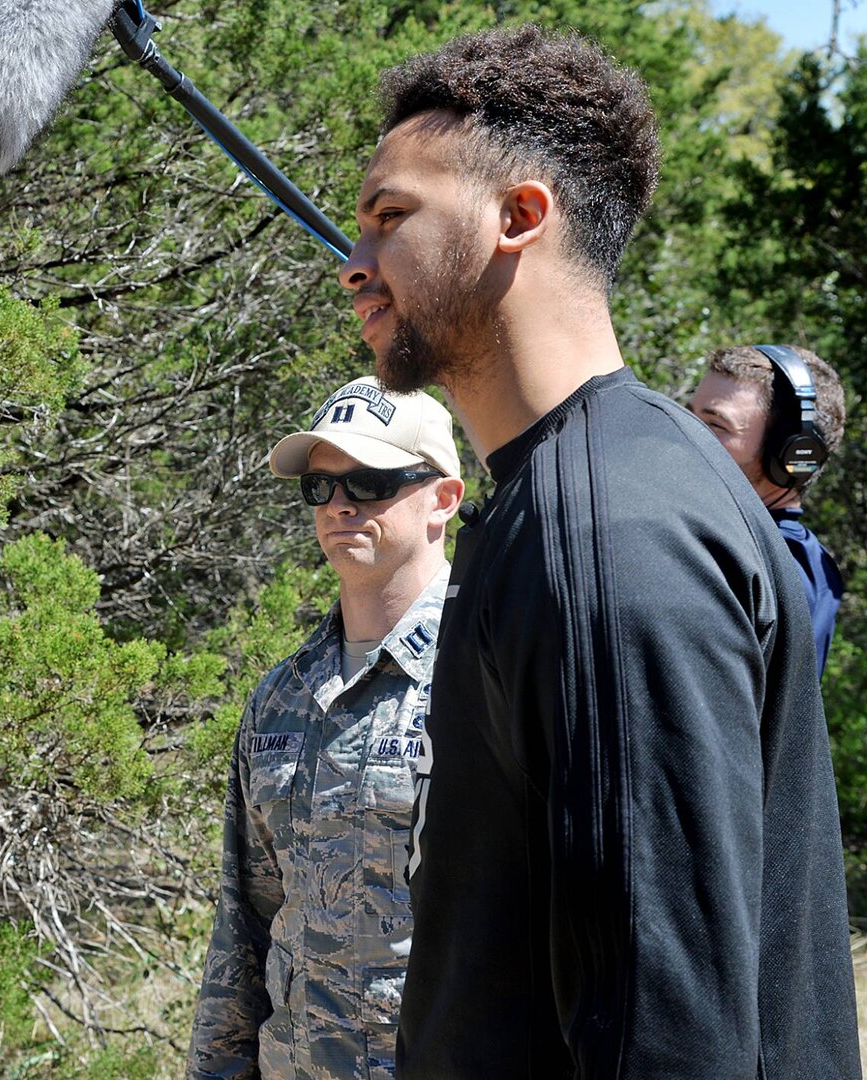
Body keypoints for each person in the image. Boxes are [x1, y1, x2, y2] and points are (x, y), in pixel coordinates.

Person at [336, 26, 860, 1077]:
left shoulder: (605, 539)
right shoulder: (607, 480)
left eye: (391, 218)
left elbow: (664, 1037)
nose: (355, 267)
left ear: (518, 217)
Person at [187, 376, 464, 1079]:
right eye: (319, 487)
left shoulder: (489, 672)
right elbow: (244, 923)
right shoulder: (281, 696)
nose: (338, 506)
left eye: (368, 483)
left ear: (442, 499)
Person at [689, 344, 847, 676]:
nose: (686, 434)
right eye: (690, 415)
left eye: (716, 425)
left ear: (790, 455)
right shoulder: (741, 542)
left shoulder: (781, 570)